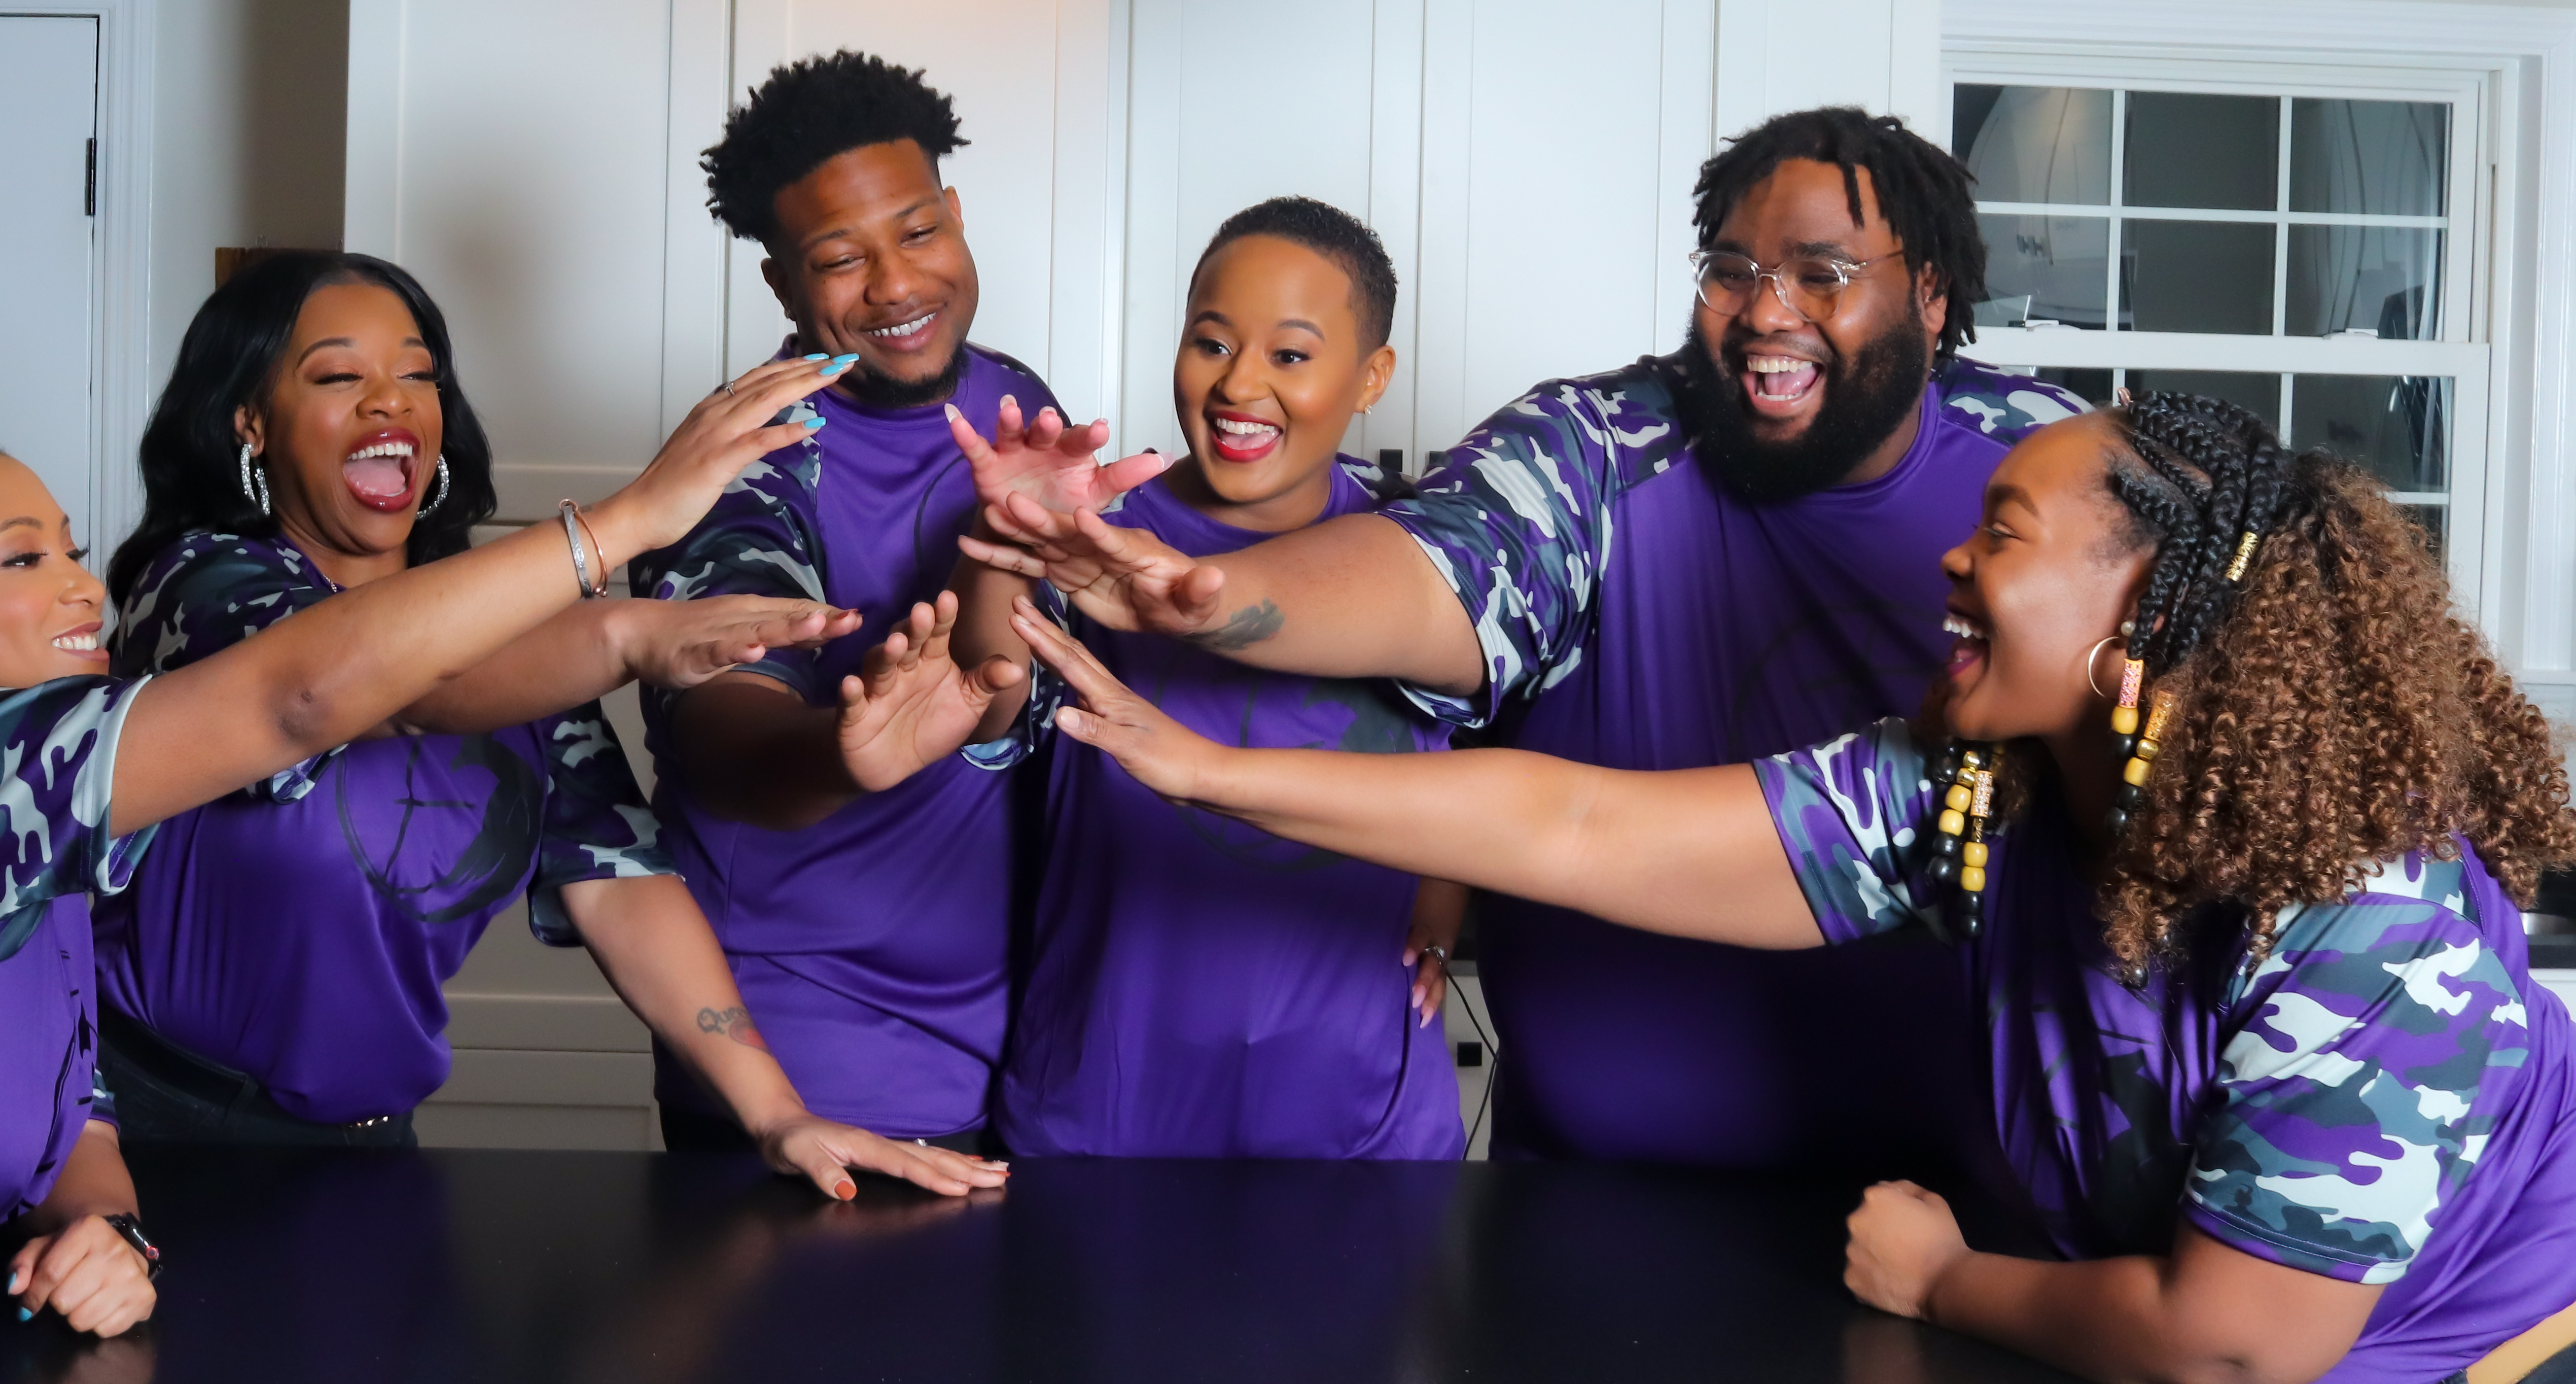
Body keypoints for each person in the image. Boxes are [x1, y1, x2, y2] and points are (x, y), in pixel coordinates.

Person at [1013, 394, 2576, 1384]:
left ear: (2140, 616)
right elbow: (1573, 828)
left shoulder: (2369, 912)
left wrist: (1952, 1281)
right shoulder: (1977, 789)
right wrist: (1212, 770)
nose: (1952, 565)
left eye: (2004, 536)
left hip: (2477, 1354)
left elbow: (2236, 1348)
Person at [0, 392, 998, 1377]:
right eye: (22, 555)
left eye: (67, 547)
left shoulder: (46, 810)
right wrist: (618, 535)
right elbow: (304, 697)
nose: (78, 585)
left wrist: (104, 1230)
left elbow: (66, 1105)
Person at [957, 108, 2085, 1176]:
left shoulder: (2051, 465)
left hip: (1958, 1197)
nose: (1765, 310)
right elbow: (1437, 578)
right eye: (1732, 270)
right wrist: (1211, 599)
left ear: (1931, 296)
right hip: (1594, 1190)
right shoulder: (1597, 443)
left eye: (1821, 273)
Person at [94, 252, 994, 1160]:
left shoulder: (516, 640)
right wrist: (628, 577)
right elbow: (343, 686)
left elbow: (620, 878)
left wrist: (776, 1113)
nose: (390, 401)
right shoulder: (200, 586)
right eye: (338, 376)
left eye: (418, 374)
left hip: (365, 1142)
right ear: (251, 422)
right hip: (146, 1130)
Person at [632, 51, 1150, 1151]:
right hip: (807, 1055)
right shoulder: (745, 458)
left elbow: (998, 697)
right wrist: (845, 753)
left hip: (1016, 1036)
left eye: (919, 233)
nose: (897, 285)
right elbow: (727, 742)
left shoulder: (1018, 403)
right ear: (781, 283)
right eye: (838, 259)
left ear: (956, 215)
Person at [952, 197, 1465, 1159]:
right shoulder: (1099, 530)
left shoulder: (1425, 552)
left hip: (1356, 1111)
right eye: (1213, 342)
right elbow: (984, 706)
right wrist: (1009, 546)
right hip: (1111, 1096)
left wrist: (1439, 914)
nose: (1241, 386)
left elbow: (1474, 755)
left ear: (1371, 378)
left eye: (1292, 355)